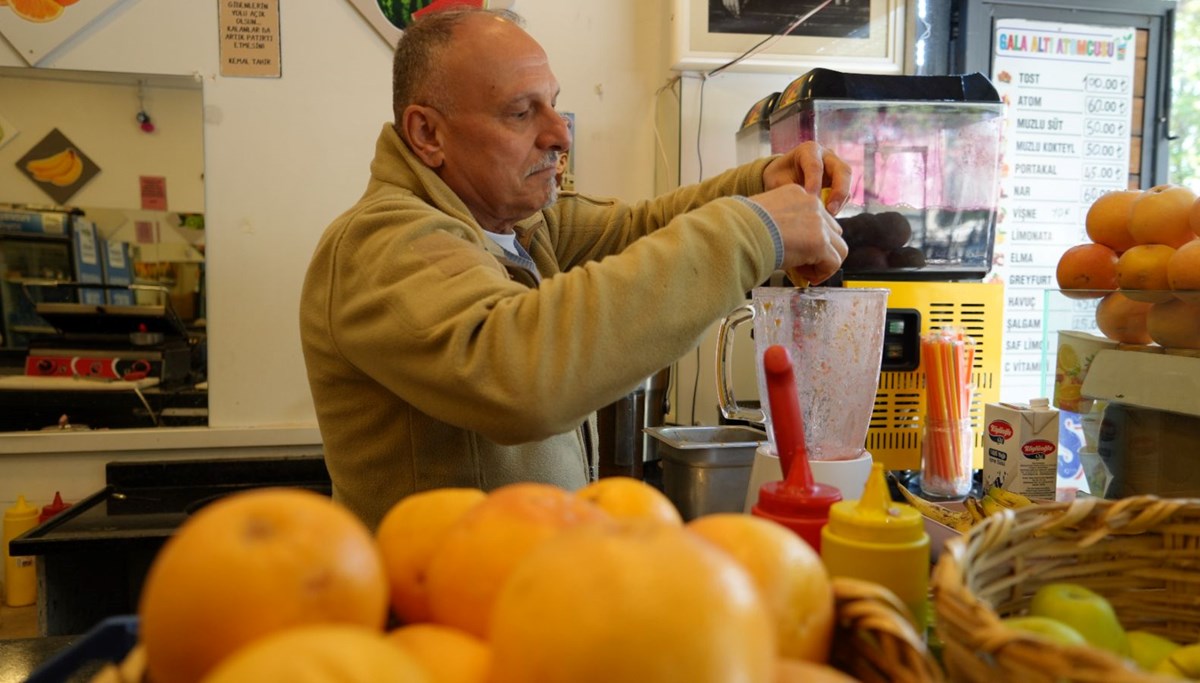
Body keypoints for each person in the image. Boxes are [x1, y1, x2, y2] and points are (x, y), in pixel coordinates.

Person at [300, 7, 852, 529]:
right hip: (439, 615)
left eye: (551, 103)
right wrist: (757, 229)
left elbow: (643, 227)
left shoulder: (517, 225)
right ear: (428, 134)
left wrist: (760, 186)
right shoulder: (383, 242)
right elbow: (518, 374)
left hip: (525, 595)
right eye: (520, 112)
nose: (559, 134)